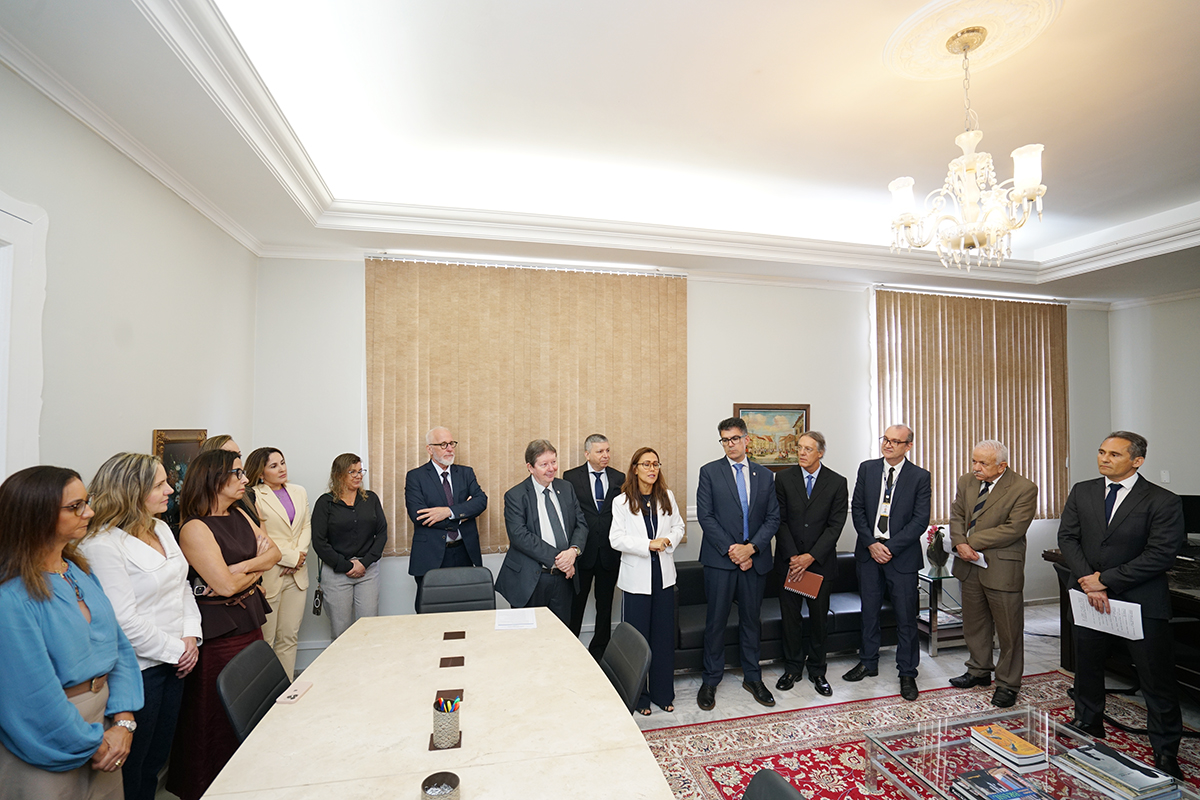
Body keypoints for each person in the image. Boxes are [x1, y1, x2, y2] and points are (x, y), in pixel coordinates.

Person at [0, 466, 143, 800]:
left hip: (106, 724)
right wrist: (94, 743)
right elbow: (31, 694)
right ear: (35, 515)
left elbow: (119, 649)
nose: (89, 512)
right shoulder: (10, 596)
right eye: (75, 506)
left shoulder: (76, 569)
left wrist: (123, 722)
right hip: (47, 737)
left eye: (86, 502)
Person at [1057, 431, 1186, 779]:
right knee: (1087, 664)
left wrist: (1107, 580)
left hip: (1140, 601)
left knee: (1155, 678)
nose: (1104, 459)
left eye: (1114, 454)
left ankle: (1165, 750)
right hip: (1087, 595)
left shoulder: (1163, 500)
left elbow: (1160, 555)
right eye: (1101, 452)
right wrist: (1089, 580)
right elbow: (1067, 537)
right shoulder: (1083, 490)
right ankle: (1087, 721)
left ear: (1137, 461)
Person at [78, 453, 203, 800]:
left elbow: (182, 585)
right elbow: (123, 621)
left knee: (156, 758)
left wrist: (191, 634)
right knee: (132, 767)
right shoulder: (102, 544)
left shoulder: (160, 527)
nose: (171, 489)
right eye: (160, 484)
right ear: (132, 491)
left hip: (176, 662)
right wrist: (179, 649)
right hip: (139, 669)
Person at [168, 449, 279, 800]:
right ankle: (212, 787)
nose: (245, 480)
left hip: (247, 620)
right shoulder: (194, 528)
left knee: (253, 702)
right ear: (215, 478)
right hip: (219, 630)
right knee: (214, 712)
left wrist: (243, 567)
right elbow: (225, 586)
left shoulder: (239, 514)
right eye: (238, 473)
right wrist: (254, 569)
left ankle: (251, 777)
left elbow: (273, 555)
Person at [695, 417, 780, 711]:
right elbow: (706, 517)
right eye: (724, 440)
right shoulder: (709, 472)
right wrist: (734, 550)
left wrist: (751, 549)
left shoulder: (765, 475)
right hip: (721, 560)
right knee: (716, 622)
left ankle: (752, 677)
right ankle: (710, 679)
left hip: (754, 562)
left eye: (734, 438)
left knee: (751, 622)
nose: (730, 444)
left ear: (747, 439)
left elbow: (773, 518)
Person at [947, 440, 1038, 708]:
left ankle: (1008, 683)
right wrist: (958, 542)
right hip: (969, 564)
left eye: (983, 463)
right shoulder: (967, 481)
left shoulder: (1024, 488)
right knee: (974, 623)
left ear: (1002, 465)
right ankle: (978, 670)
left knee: (1009, 630)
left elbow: (1014, 528)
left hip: (1001, 566)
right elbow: (957, 514)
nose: (976, 467)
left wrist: (970, 542)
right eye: (974, 461)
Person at [843, 424, 931, 702]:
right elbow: (857, 509)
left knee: (906, 617)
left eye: (896, 441)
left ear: (908, 446)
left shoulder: (920, 477)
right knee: (869, 611)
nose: (888, 445)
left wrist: (889, 548)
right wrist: (871, 543)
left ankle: (907, 672)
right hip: (869, 553)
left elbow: (920, 520)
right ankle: (868, 662)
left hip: (901, 556)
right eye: (886, 439)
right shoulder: (867, 469)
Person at [609, 447, 684, 715]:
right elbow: (615, 539)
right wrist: (647, 545)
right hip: (636, 580)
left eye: (655, 464)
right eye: (646, 464)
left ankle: (664, 693)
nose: (652, 469)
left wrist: (668, 540)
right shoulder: (621, 502)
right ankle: (639, 697)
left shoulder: (667, 497)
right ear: (635, 468)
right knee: (638, 641)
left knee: (663, 639)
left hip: (663, 579)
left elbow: (679, 527)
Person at [773, 431, 847, 699]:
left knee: (818, 622)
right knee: (790, 620)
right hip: (789, 564)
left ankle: (817, 670)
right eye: (799, 448)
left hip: (819, 564)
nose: (801, 453)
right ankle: (792, 668)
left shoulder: (837, 482)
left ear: (821, 452)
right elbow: (778, 520)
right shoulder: (782, 478)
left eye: (808, 449)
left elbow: (835, 526)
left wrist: (810, 557)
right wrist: (795, 557)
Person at [495, 439, 588, 625]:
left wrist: (573, 552)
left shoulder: (566, 488)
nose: (551, 468)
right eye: (544, 464)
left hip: (563, 580)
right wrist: (562, 560)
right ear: (530, 467)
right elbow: (520, 536)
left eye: (553, 462)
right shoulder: (515, 495)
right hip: (531, 580)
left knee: (560, 635)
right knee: (528, 638)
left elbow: (581, 525)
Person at [246, 447, 312, 679]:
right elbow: (261, 537)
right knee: (267, 640)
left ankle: (287, 686)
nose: (282, 468)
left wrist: (299, 556)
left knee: (289, 637)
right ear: (261, 473)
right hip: (272, 573)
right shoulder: (252, 495)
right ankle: (265, 693)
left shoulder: (298, 491)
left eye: (282, 463)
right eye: (274, 466)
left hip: (297, 574)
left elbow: (305, 526)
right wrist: (291, 557)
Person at [405, 427, 488, 611]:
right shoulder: (416, 477)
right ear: (429, 449)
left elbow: (481, 502)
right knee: (431, 612)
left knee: (467, 609)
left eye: (452, 444)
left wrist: (448, 512)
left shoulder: (466, 473)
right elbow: (419, 516)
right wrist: (462, 514)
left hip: (464, 551)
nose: (450, 448)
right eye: (443, 445)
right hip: (431, 554)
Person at [311, 453, 387, 639]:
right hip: (336, 573)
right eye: (352, 471)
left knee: (369, 627)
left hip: (367, 571)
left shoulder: (371, 499)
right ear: (338, 475)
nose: (358, 476)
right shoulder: (325, 503)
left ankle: (368, 666)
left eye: (360, 471)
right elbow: (319, 542)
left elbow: (382, 534)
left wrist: (365, 563)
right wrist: (346, 565)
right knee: (341, 630)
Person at [563, 434, 623, 658]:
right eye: (600, 451)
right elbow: (568, 516)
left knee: (605, 606)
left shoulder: (619, 478)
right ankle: (571, 650)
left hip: (609, 553)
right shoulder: (570, 477)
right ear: (587, 454)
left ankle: (600, 652)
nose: (605, 455)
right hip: (582, 552)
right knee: (575, 605)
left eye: (607, 450)